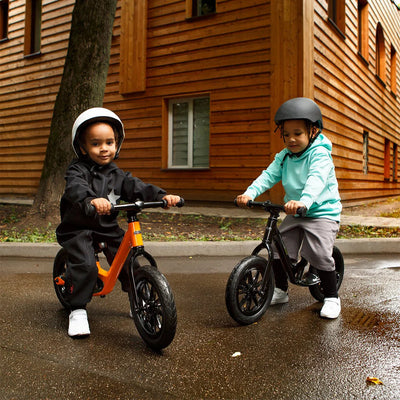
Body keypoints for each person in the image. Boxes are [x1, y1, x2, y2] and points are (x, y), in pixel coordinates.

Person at [56, 107, 181, 337]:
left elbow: (137, 187)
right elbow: (75, 188)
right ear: (82, 147)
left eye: (109, 142)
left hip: (106, 227)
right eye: (95, 143)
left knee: (128, 257)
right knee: (85, 265)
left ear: (117, 144)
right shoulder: (77, 170)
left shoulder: (117, 174)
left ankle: (138, 299)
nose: (104, 148)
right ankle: (77, 309)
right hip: (79, 227)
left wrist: (162, 196)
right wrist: (92, 200)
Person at [236, 97, 342, 319]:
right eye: (286, 134)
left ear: (313, 131)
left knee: (320, 253)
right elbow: (268, 176)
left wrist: (304, 201)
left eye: (298, 133)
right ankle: (281, 290)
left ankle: (332, 297)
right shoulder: (284, 157)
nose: (291, 139)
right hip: (296, 212)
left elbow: (316, 179)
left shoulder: (319, 154)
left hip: (321, 212)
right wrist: (249, 193)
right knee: (278, 248)